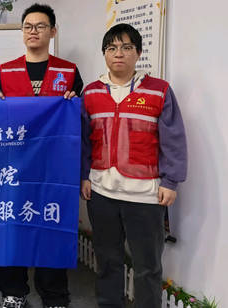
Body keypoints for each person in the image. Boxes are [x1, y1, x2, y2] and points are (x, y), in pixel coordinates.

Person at [80, 23, 187, 308]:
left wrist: (170, 181)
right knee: (107, 262)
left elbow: (173, 139)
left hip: (145, 196)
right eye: (112, 48)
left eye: (126, 47)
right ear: (104, 54)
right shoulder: (91, 93)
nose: (119, 53)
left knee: (147, 267)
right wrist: (84, 175)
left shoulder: (159, 91)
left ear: (138, 53)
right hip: (101, 193)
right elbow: (84, 140)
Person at [0, 3, 83, 308]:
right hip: (13, 167)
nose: (33, 31)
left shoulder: (69, 72)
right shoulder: (5, 71)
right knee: (11, 227)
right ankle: (13, 292)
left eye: (41, 26)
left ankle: (54, 294)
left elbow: (79, 120)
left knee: (52, 226)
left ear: (52, 31)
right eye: (28, 26)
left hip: (54, 169)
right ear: (22, 32)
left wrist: (73, 101)